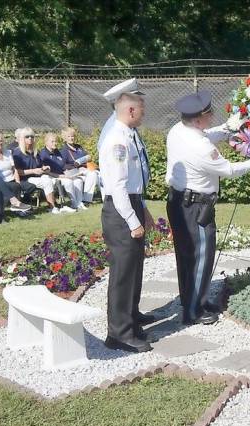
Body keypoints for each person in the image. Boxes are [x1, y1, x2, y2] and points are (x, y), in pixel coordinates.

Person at [166, 90, 250, 325]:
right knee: (201, 257)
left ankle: (192, 299)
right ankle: (193, 311)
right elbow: (229, 170)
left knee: (186, 256)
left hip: (179, 202)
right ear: (199, 118)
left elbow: (208, 134)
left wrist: (230, 126)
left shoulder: (178, 130)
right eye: (209, 113)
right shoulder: (201, 147)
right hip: (197, 207)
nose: (212, 116)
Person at [99, 80, 157, 353]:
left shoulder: (126, 135)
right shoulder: (117, 141)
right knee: (123, 274)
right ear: (131, 110)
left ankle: (130, 321)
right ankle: (119, 334)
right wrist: (133, 222)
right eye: (142, 109)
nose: (144, 114)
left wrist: (142, 209)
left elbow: (133, 184)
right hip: (120, 210)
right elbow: (118, 187)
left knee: (134, 268)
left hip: (131, 203)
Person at [12, 127, 75, 214]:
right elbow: (17, 171)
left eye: (32, 136)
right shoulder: (18, 152)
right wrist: (33, 171)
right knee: (46, 180)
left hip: (39, 177)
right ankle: (52, 207)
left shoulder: (34, 152)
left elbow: (40, 168)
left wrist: (44, 169)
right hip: (26, 179)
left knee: (59, 180)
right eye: (27, 136)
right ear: (22, 138)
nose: (30, 138)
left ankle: (64, 205)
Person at [0, 132, 37, 206]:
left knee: (29, 186)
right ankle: (16, 205)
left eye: (1, 141)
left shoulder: (7, 153)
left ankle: (21, 204)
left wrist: (18, 182)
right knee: (14, 186)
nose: (0, 143)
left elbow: (14, 170)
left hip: (11, 180)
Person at [39, 133, 86, 211]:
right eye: (52, 142)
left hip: (63, 174)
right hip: (53, 177)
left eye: (56, 141)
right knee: (68, 182)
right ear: (46, 142)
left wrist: (69, 172)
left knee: (78, 180)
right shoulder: (43, 154)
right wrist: (62, 176)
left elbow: (62, 165)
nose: (55, 143)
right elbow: (46, 172)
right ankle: (74, 203)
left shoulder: (57, 151)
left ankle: (79, 202)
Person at [61, 127, 101, 203]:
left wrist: (87, 158)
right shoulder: (63, 150)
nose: (71, 138)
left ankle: (103, 197)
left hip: (85, 170)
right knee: (93, 174)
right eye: (68, 136)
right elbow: (63, 165)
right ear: (65, 138)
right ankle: (86, 199)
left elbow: (87, 157)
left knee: (97, 175)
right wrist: (77, 168)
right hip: (73, 172)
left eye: (72, 136)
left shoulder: (79, 147)